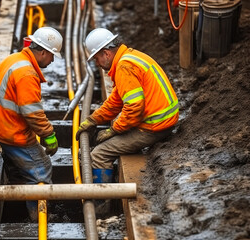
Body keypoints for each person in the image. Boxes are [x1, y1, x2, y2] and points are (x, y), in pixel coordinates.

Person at [76, 27, 179, 187]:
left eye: (96, 59)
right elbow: (116, 101)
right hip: (160, 120)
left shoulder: (124, 68)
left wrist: (114, 130)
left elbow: (134, 107)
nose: (97, 63)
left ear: (106, 53)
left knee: (98, 154)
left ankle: (101, 204)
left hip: (154, 126)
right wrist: (93, 119)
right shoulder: (130, 57)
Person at [0, 27, 63, 221]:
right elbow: (32, 113)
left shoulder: (14, 59)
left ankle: (17, 200)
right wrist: (49, 135)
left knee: (19, 168)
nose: (51, 62)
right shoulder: (27, 74)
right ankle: (38, 219)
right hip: (10, 131)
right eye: (52, 56)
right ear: (43, 52)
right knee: (41, 170)